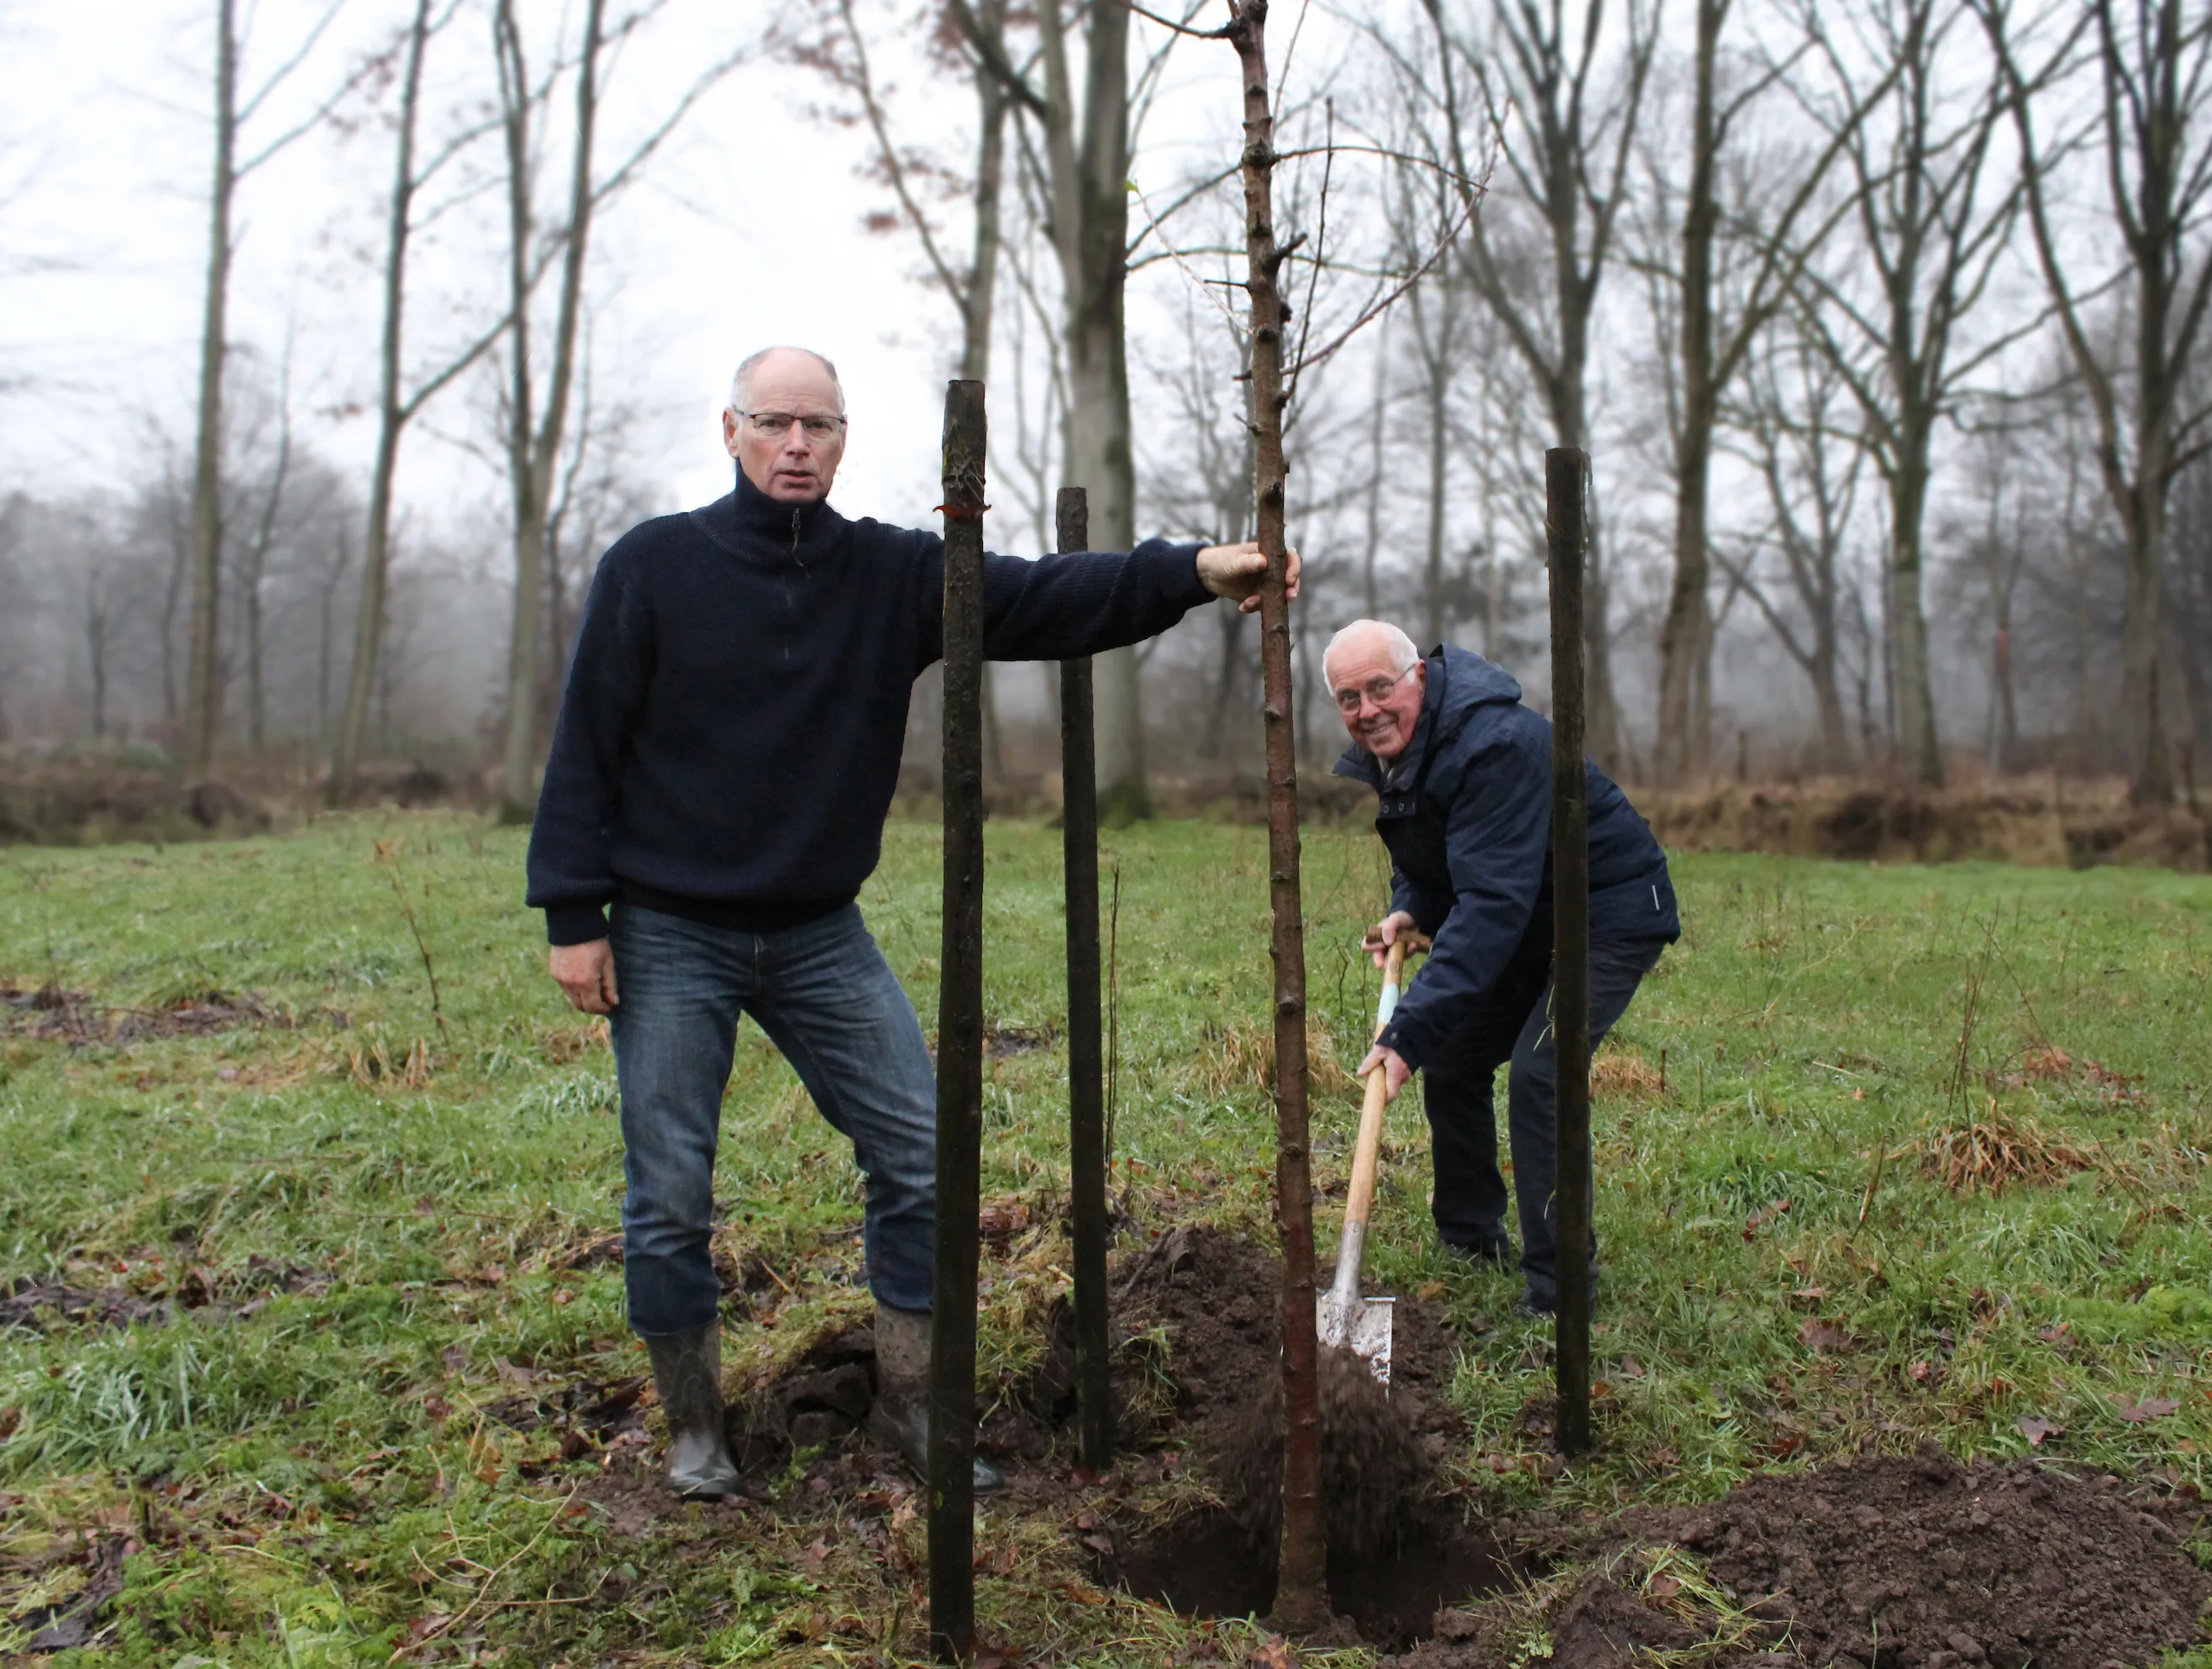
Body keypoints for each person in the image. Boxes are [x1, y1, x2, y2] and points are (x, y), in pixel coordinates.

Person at [527, 347, 1299, 1499]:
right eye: (776, 423)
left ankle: (910, 1405)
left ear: (844, 440)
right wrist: (573, 913)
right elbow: (585, 740)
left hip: (816, 929)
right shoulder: (653, 567)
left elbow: (1046, 596)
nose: (799, 445)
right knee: (670, 1189)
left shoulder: (890, 574)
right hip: (668, 926)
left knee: (923, 1156)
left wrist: (1191, 568)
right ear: (729, 429)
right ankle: (695, 1430)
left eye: (821, 426)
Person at [1327, 620, 1677, 1318]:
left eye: (1379, 688)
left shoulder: (1495, 745)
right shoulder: (1404, 749)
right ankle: (1469, 1237)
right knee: (1454, 1056)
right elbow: (1438, 857)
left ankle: (1560, 1285)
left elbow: (1488, 906)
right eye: (1348, 698)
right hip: (1527, 915)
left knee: (1541, 1073)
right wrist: (1409, 906)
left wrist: (1406, 1032)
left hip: (1603, 913)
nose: (1366, 710)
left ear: (1418, 677)